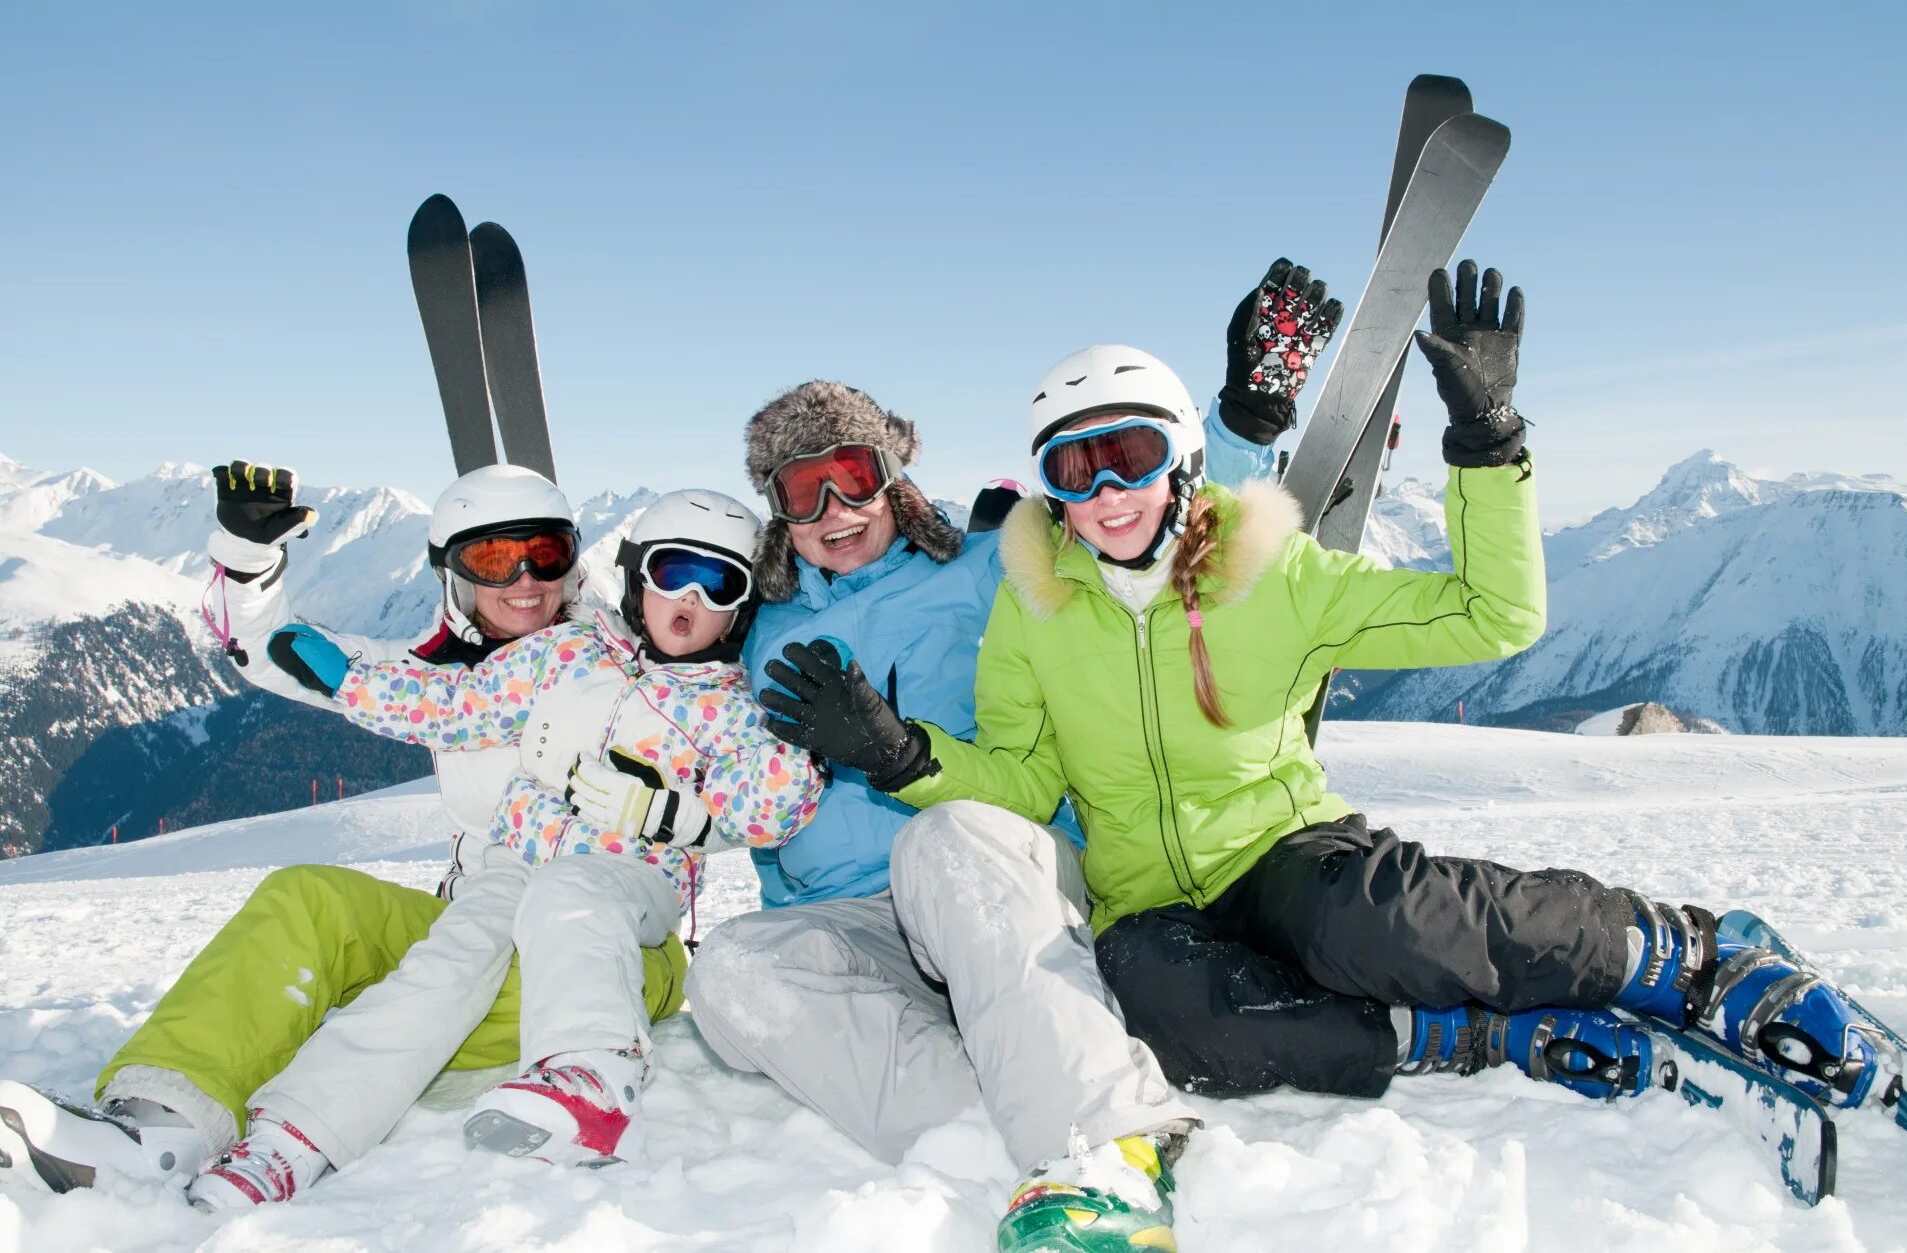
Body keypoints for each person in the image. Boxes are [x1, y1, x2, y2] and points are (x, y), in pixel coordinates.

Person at [758, 264, 1903, 1252]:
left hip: (1280, 846)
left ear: (1184, 462)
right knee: (1171, 1017)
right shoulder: (1035, 608)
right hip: (1147, 896)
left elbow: (1493, 617)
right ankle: (1473, 1038)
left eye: (1130, 455)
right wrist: (908, 757)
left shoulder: (1276, 575)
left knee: (1372, 927)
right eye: (1074, 469)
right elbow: (1022, 781)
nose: (1106, 493)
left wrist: (1486, 443)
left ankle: (1691, 958)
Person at [686, 263, 1339, 1253]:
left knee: (943, 838)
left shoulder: (991, 567)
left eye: (853, 476)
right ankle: (1014, 1135)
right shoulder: (763, 634)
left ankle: (1108, 1147)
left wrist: (1247, 412)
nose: (834, 509)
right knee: (733, 971)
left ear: (891, 477)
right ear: (778, 510)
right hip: (862, 928)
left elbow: (1144, 528)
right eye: (802, 490)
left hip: (1000, 877)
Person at [0, 463, 687, 1194]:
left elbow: (721, 655)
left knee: (460, 964)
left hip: (607, 946)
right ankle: (155, 1130)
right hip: (475, 919)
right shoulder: (433, 676)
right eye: (492, 557)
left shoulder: (634, 654)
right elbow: (279, 654)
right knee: (307, 900)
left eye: (545, 552)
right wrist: (248, 560)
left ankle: (302, 1127)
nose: (525, 577)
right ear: (452, 573)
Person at [178, 489, 820, 1208]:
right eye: (674, 571)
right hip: (516, 858)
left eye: (720, 583)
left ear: (742, 604)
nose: (692, 597)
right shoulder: (570, 651)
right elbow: (459, 706)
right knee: (444, 964)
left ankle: (590, 1074)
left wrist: (681, 799)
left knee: (570, 896)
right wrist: (350, 679)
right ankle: (290, 1140)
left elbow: (770, 806)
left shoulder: (732, 704)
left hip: (628, 878)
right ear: (639, 577)